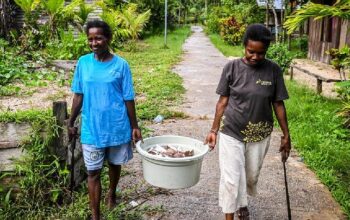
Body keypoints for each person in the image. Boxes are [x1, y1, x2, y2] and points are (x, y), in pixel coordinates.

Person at [205, 24, 291, 220]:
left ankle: (242, 203)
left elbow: (278, 104)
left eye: (260, 53)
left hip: (259, 134)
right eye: (251, 51)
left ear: (266, 51)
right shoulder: (232, 68)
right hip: (231, 131)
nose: (255, 57)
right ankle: (232, 214)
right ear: (244, 46)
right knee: (231, 180)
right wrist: (214, 130)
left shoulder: (273, 70)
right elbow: (223, 101)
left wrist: (286, 135)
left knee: (250, 177)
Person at [67, 20, 142, 220]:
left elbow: (128, 97)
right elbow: (78, 95)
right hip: (92, 128)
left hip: (117, 126)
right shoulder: (83, 63)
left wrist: (135, 126)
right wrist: (71, 121)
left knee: (115, 164)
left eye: (98, 38)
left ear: (107, 39)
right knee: (93, 173)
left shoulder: (121, 65)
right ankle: (95, 215)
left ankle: (112, 193)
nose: (94, 43)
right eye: (90, 39)